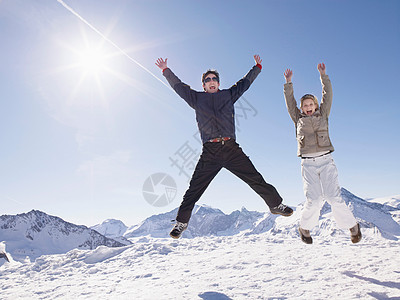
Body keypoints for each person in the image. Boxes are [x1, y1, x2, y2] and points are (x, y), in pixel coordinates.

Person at [155, 55, 293, 239]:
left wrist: (257, 67)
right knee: (194, 188)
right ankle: (181, 223)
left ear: (218, 83)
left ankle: (276, 205)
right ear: (203, 85)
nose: (211, 82)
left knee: (255, 178)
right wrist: (166, 70)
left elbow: (245, 83)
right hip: (210, 152)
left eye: (214, 79)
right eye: (207, 80)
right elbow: (179, 87)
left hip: (231, 149)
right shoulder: (196, 98)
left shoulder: (228, 95)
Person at [283, 63, 361, 244]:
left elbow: (328, 95)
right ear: (301, 108)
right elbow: (289, 102)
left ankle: (353, 227)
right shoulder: (298, 119)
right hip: (308, 164)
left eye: (311, 104)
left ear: (316, 105)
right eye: (305, 105)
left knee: (334, 197)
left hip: (326, 161)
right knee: (314, 200)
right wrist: (288, 83)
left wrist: (323, 76)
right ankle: (305, 228)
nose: (308, 107)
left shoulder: (323, 115)